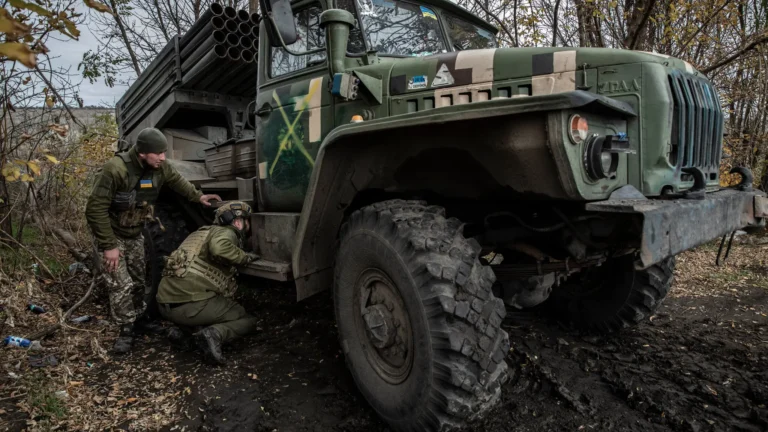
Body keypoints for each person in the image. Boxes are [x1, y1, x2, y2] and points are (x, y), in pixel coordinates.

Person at [85, 127, 221, 354]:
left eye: (164, 152)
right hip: (113, 234)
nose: (163, 157)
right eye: (158, 153)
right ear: (142, 152)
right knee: (120, 284)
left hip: (135, 233)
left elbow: (178, 181)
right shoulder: (115, 170)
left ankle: (140, 320)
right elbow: (94, 209)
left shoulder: (161, 168)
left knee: (139, 281)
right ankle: (126, 329)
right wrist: (109, 246)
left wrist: (198, 196)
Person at [156, 201, 259, 365]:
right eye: (247, 222)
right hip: (189, 307)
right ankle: (215, 333)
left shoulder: (200, 234)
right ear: (238, 221)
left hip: (165, 305)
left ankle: (184, 332)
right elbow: (219, 248)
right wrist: (245, 257)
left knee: (209, 304)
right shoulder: (227, 232)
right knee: (245, 319)